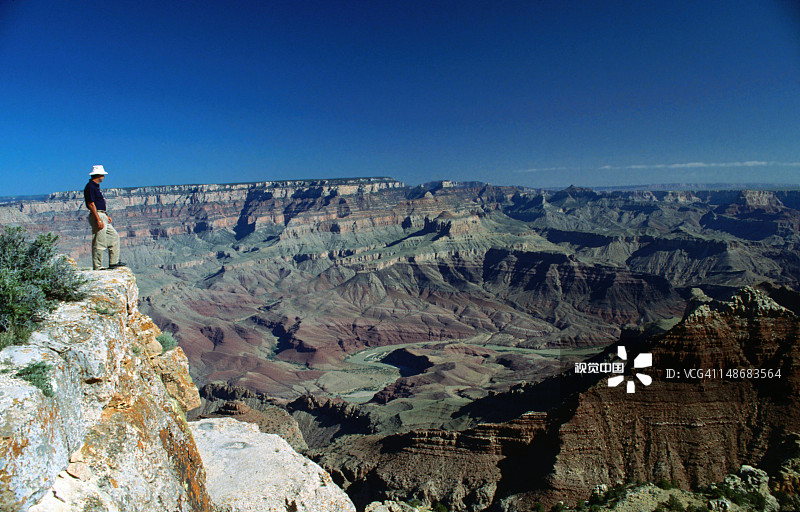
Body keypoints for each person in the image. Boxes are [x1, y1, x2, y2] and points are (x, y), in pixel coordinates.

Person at [84, 165, 125, 270]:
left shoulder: (95, 186)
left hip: (102, 215)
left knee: (114, 236)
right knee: (99, 241)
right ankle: (98, 266)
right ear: (99, 175)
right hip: (98, 215)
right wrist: (98, 219)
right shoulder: (90, 187)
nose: (103, 177)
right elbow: (91, 204)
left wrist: (106, 215)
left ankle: (113, 262)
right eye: (103, 175)